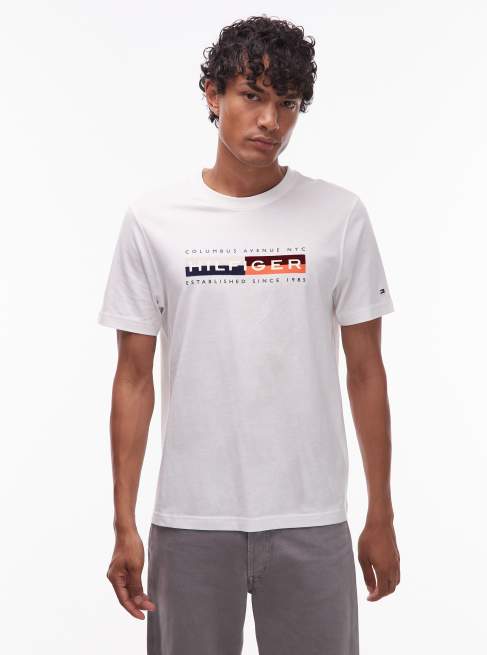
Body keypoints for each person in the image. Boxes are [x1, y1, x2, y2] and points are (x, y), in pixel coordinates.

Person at [98, 14, 400, 655]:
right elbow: (133, 377)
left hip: (312, 517)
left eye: (287, 103)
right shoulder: (153, 220)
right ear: (213, 95)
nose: (270, 121)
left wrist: (381, 511)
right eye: (252, 95)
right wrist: (124, 521)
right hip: (191, 521)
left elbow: (367, 372)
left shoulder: (339, 215)